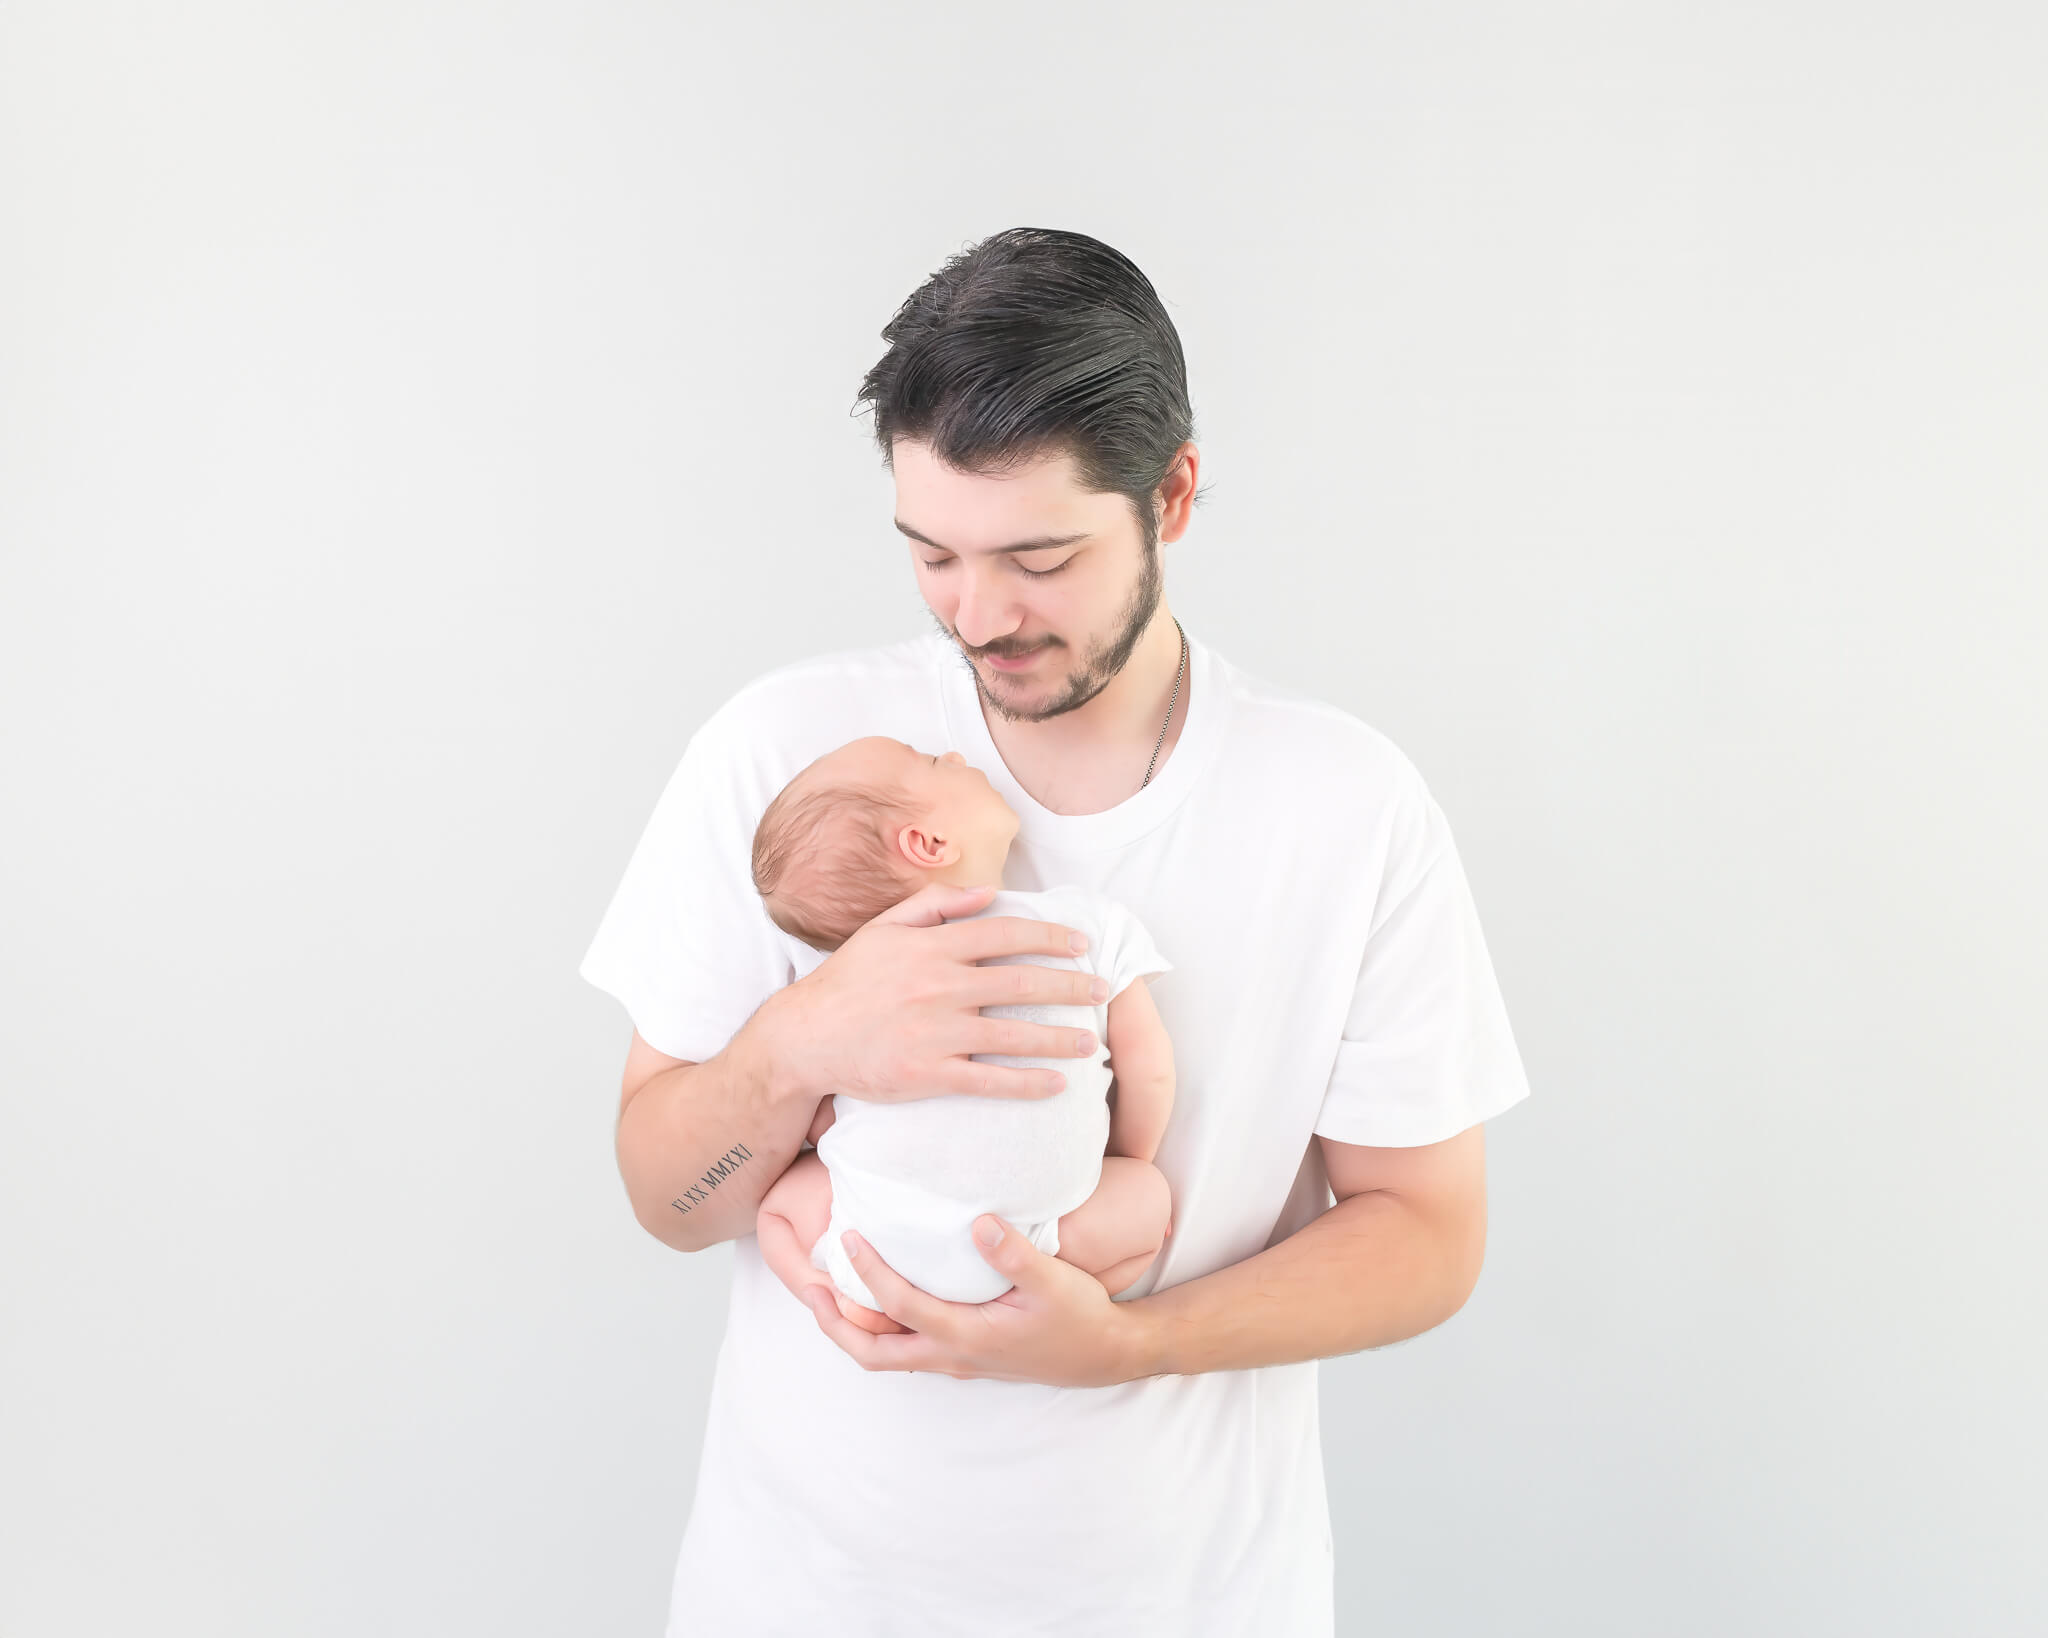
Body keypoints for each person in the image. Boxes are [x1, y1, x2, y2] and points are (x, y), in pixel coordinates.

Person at [578, 226, 1532, 1637]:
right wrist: (800, 1045)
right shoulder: (790, 758)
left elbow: (1429, 1234)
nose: (980, 614)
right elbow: (668, 1197)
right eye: (933, 557)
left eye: (1040, 556)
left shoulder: (1345, 805)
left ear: (1177, 493)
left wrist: (1125, 1345)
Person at [745, 734, 1179, 1330]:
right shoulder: (1085, 924)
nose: (950, 755)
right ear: (928, 843)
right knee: (1149, 1204)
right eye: (929, 763)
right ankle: (1026, 1304)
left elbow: (822, 1106)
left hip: (879, 1242)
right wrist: (1123, 1160)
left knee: (777, 1210)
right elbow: (1150, 1069)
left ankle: (842, 1297)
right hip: (1029, 1240)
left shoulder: (845, 985)